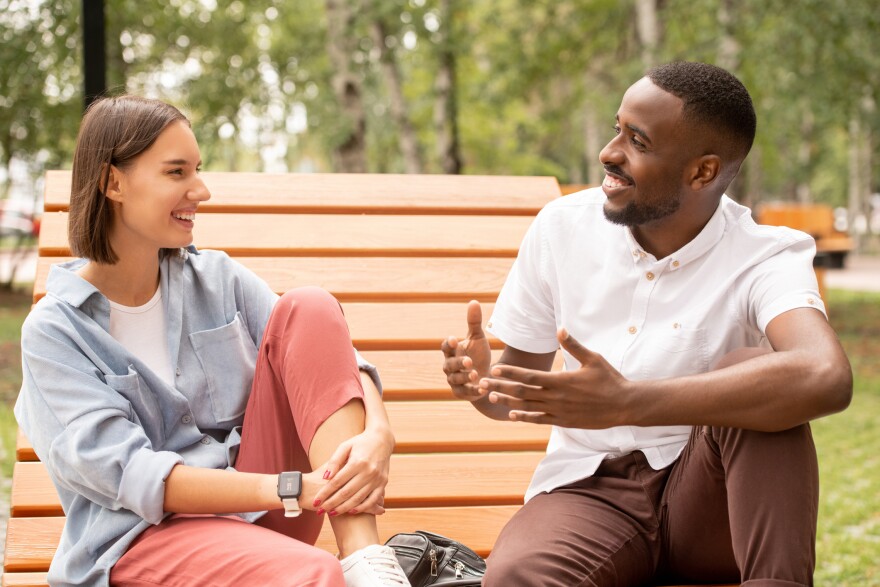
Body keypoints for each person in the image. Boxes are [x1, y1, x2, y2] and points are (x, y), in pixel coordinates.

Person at [442, 61, 852, 586]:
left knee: (763, 379)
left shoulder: (766, 255)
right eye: (617, 129)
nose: (609, 153)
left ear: (702, 172)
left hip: (712, 502)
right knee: (517, 576)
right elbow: (515, 396)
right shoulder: (562, 228)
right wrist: (483, 387)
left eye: (638, 141)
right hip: (592, 491)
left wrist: (629, 400)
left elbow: (825, 375)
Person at [15, 95, 410, 587]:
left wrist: (380, 432)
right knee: (312, 575)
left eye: (197, 169)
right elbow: (135, 476)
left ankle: (367, 558)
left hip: (264, 511)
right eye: (177, 172)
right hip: (142, 536)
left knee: (309, 306)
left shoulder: (217, 278)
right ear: (113, 182)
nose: (201, 190)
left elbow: (335, 363)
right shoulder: (55, 332)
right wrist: (292, 488)